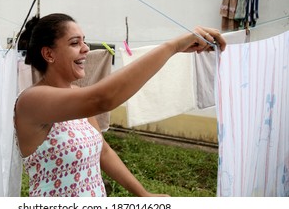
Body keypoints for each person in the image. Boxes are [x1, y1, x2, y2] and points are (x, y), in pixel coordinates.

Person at [14, 13, 226, 197]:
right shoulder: (31, 101)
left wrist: (144, 194)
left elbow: (103, 152)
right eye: (74, 43)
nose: (86, 49)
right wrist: (173, 47)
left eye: (84, 41)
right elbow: (103, 99)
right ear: (48, 54)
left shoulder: (77, 96)